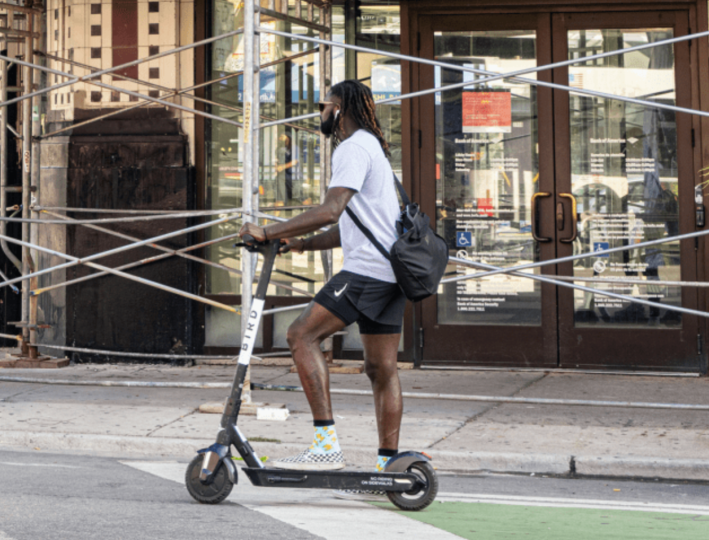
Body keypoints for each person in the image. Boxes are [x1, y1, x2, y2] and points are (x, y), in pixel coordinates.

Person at [238, 80, 405, 489]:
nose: (320, 113)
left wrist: (266, 230)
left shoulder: (352, 147)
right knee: (381, 368)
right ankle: (388, 465)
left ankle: (325, 444)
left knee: (300, 335)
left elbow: (331, 210)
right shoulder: (373, 149)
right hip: (390, 275)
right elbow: (352, 225)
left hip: (367, 274)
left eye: (322, 105)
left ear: (339, 108)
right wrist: (299, 243)